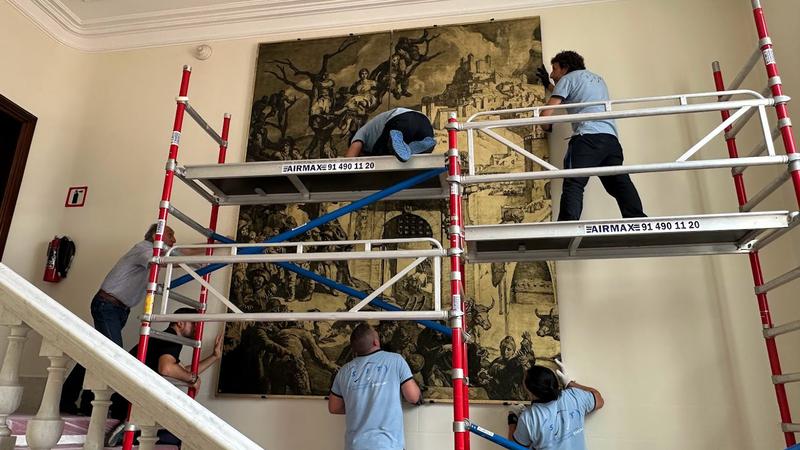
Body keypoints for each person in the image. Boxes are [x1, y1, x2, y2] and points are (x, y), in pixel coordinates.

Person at [60, 224, 204, 415]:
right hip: (107, 305)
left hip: (118, 310)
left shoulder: (152, 253)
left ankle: (69, 399)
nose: (174, 240)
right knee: (112, 354)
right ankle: (87, 405)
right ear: (156, 235)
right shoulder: (144, 249)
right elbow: (170, 258)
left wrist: (207, 250)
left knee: (98, 352)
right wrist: (200, 254)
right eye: (170, 235)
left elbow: (179, 254)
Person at [536, 50, 645, 221]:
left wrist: (546, 126)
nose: (552, 74)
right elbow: (574, 96)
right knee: (618, 183)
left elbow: (546, 115)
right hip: (610, 140)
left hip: (587, 139)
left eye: (554, 69)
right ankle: (638, 218)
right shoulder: (597, 79)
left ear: (565, 68)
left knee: (574, 182)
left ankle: (567, 226)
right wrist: (548, 85)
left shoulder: (566, 79)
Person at [105, 307, 224, 447]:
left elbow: (181, 371)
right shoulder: (171, 338)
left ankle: (130, 428)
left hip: (124, 395)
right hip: (127, 400)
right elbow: (167, 368)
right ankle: (128, 429)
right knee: (179, 430)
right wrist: (193, 379)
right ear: (180, 323)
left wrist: (214, 357)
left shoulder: (167, 337)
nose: (198, 328)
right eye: (194, 323)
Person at [328, 323, 423, 450]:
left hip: (355, 446)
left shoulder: (344, 371)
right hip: (388, 445)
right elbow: (413, 397)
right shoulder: (395, 360)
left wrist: (359, 407)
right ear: (375, 342)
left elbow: (334, 407)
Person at [507, 359, 604, 450]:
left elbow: (514, 447)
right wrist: (570, 383)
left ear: (532, 393)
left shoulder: (529, 417)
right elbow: (599, 400)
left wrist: (512, 421)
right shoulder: (574, 396)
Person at [344, 108, 436, 162]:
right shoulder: (371, 129)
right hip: (425, 122)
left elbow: (348, 162)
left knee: (380, 157)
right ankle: (413, 147)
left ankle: (395, 141)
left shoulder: (360, 133)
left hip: (400, 120)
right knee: (406, 151)